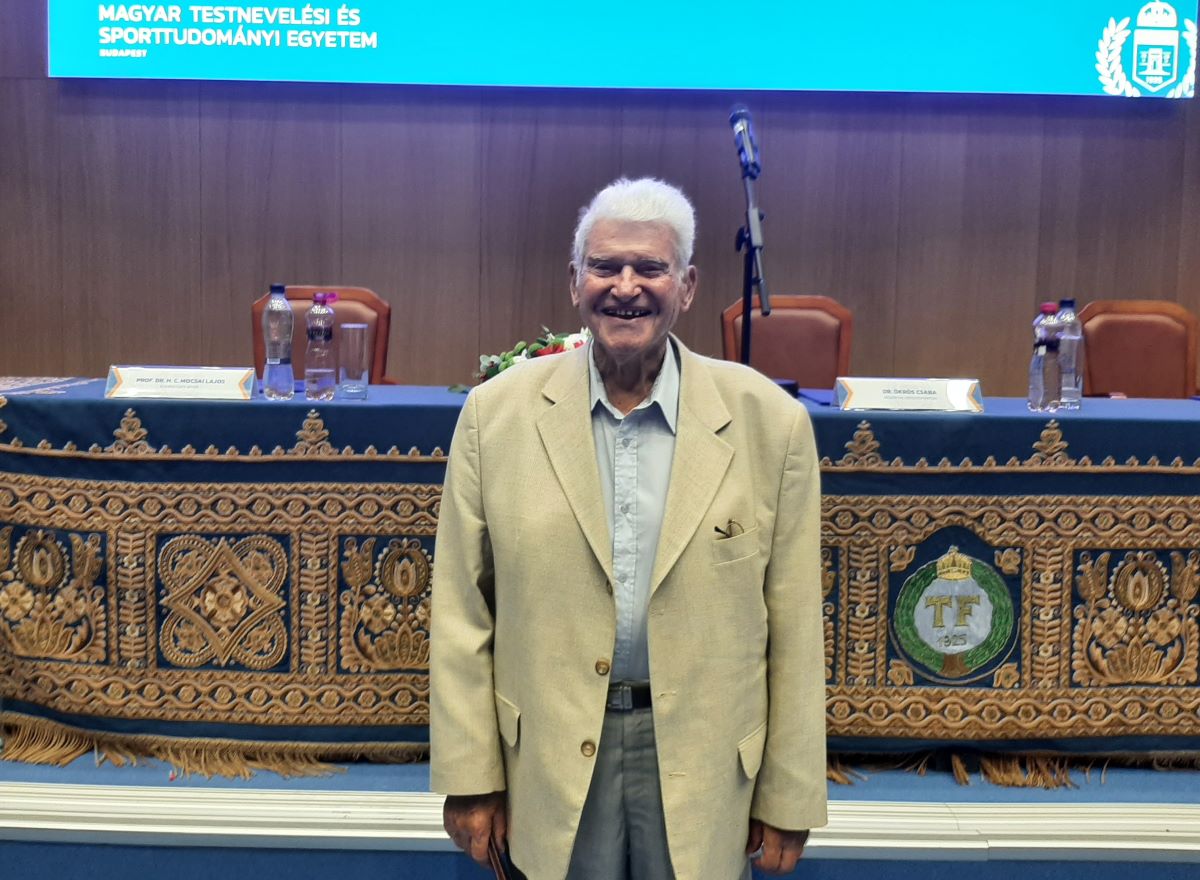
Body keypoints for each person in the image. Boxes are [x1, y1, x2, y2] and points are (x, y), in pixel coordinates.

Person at [431, 177, 827, 880]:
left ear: (688, 286)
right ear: (574, 281)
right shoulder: (495, 417)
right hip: (547, 757)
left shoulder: (771, 424)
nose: (625, 287)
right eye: (605, 266)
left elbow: (795, 627)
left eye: (650, 267)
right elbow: (462, 612)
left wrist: (789, 792)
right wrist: (469, 777)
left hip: (706, 761)